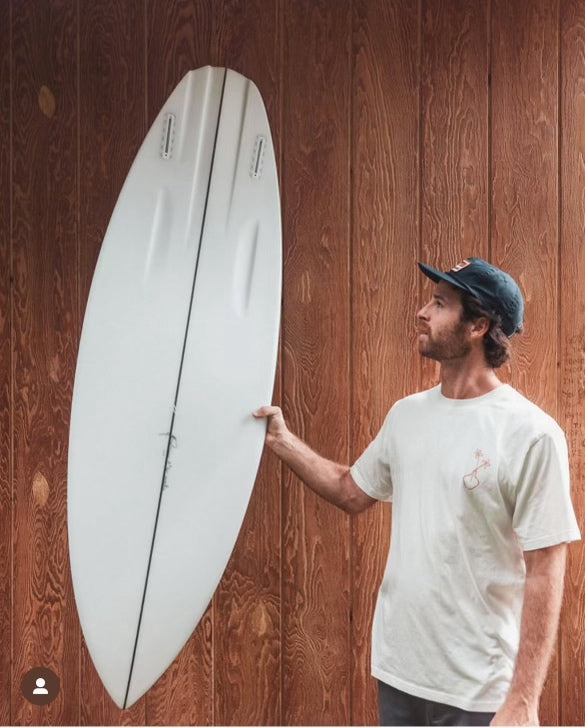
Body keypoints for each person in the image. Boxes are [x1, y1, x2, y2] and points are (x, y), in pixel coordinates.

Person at [253, 258, 581, 727]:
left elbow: (546, 566)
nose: (422, 312)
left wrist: (524, 699)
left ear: (478, 326)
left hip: (478, 692)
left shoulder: (531, 434)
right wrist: (282, 441)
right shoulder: (406, 416)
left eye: (441, 304)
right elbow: (351, 491)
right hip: (400, 675)